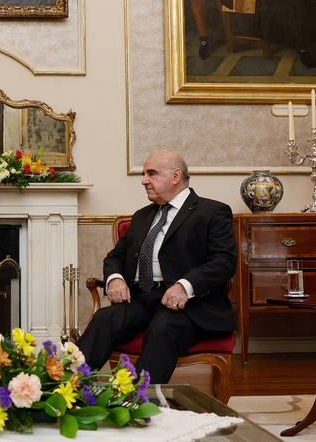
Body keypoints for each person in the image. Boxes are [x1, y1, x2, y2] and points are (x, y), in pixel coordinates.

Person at [75, 150, 237, 384]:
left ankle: (136, 400)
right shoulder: (143, 216)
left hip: (190, 305)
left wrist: (185, 286)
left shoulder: (212, 212)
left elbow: (224, 261)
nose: (143, 180)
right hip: (141, 298)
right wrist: (115, 279)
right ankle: (63, 389)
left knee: (163, 328)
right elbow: (115, 256)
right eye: (143, 174)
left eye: (151, 173)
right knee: (104, 319)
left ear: (175, 175)